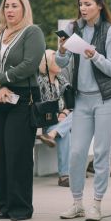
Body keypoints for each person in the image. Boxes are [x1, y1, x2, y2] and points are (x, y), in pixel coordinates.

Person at [56, 0, 111, 221]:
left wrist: (94, 55)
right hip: (82, 99)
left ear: (100, 6)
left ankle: (96, 203)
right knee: (76, 153)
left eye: (88, 4)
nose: (83, 8)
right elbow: (61, 62)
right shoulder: (73, 29)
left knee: (102, 152)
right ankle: (77, 203)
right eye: (81, 4)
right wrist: (62, 49)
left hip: (105, 98)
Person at [0, 0, 45, 221]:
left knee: (18, 154)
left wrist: (1, 79)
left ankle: (21, 208)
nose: (10, 10)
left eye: (15, 6)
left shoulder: (32, 32)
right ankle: (4, 206)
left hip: (22, 100)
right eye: (7, 5)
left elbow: (29, 64)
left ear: (24, 9)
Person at [36, 50, 71, 186]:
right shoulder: (40, 82)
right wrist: (58, 115)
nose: (59, 63)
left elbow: (71, 104)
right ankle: (64, 176)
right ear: (46, 63)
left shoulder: (62, 81)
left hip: (63, 120)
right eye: (56, 60)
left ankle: (53, 133)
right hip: (47, 123)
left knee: (78, 113)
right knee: (65, 132)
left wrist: (65, 113)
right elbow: (41, 108)